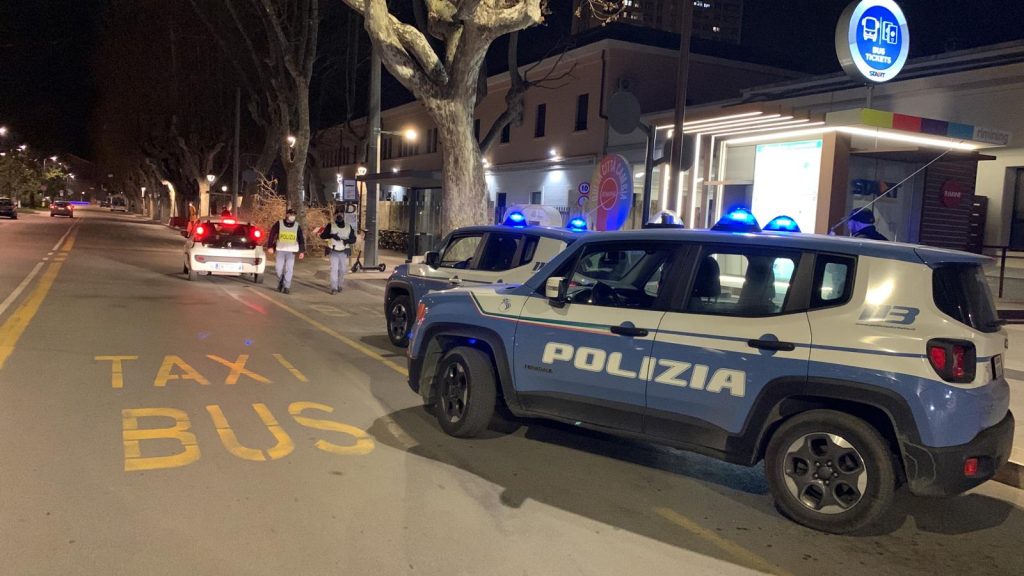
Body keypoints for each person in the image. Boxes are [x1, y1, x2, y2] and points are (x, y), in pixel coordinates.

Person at [266, 208, 305, 294]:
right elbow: (272, 234)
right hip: (280, 250)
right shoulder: (279, 223)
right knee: (278, 269)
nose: (292, 217)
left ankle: (287, 287)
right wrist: (270, 246)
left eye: (294, 215)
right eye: (291, 215)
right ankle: (281, 281)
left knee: (289, 269)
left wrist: (302, 251)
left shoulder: (296, 226)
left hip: (291, 252)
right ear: (287, 215)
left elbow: (301, 238)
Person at [320, 212, 357, 294]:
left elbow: (353, 239)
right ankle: (334, 288)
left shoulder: (348, 227)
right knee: (334, 269)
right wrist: (331, 235)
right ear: (335, 216)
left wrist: (346, 241)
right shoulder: (331, 226)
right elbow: (322, 236)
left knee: (342, 270)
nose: (339, 216)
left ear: (343, 216)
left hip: (343, 251)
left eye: (341, 215)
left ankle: (339, 285)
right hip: (333, 251)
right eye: (337, 215)